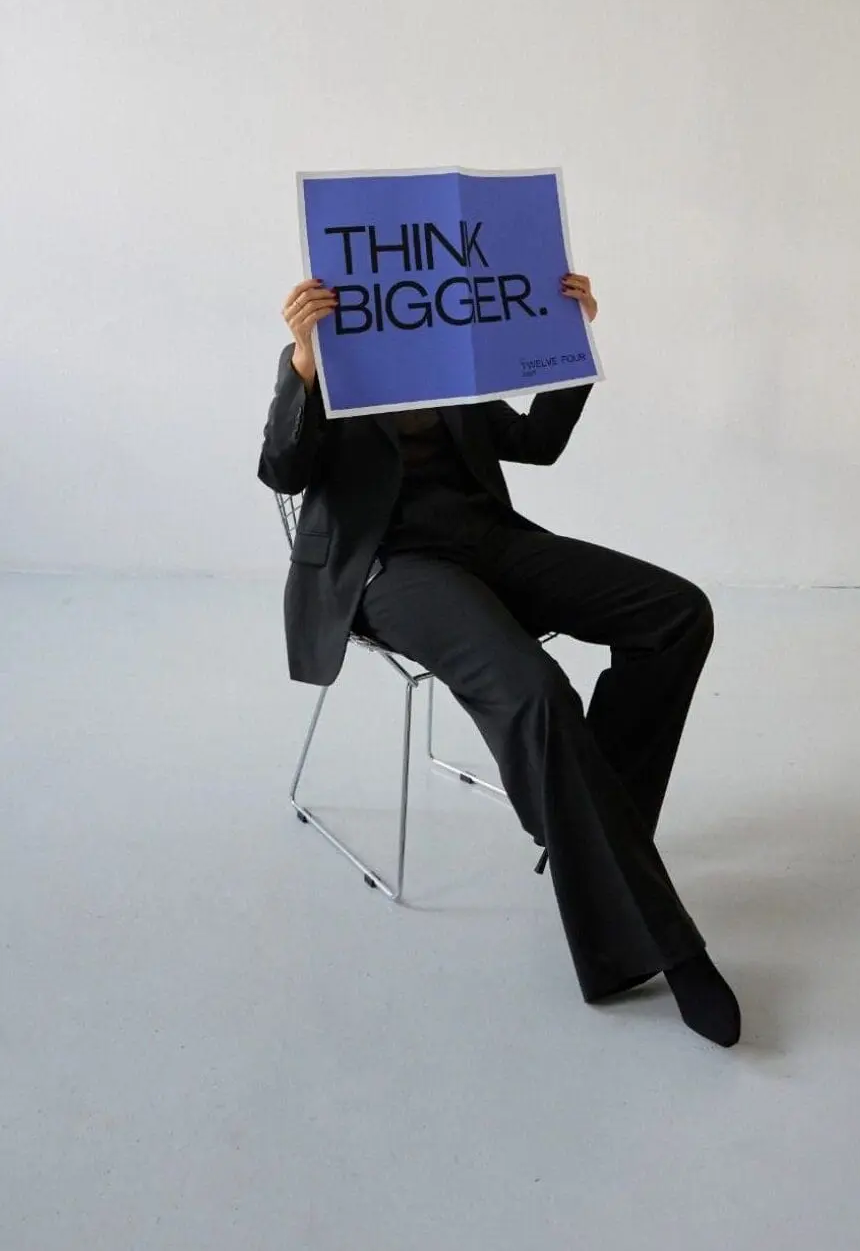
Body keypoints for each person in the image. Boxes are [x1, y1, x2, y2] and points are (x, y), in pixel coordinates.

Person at [258, 273, 741, 1047]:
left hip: (490, 543)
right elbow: (282, 469)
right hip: (393, 569)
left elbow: (536, 444)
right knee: (536, 692)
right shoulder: (332, 359)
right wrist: (304, 364)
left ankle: (583, 827)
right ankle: (667, 948)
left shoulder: (447, 359)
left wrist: (567, 341)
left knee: (676, 615)